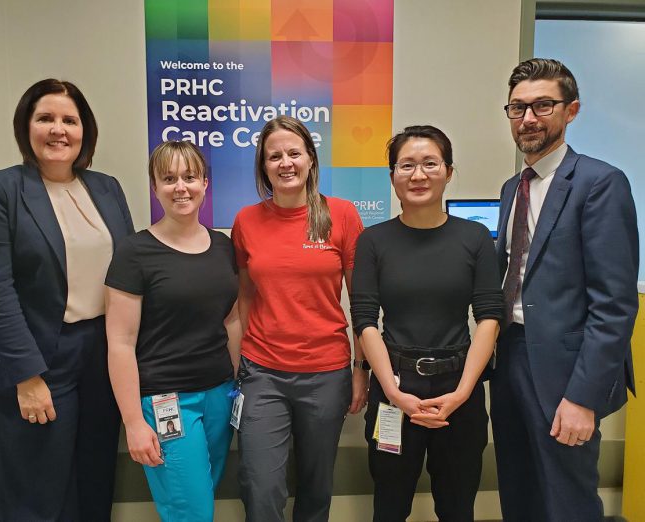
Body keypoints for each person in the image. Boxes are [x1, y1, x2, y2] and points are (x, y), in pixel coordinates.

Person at [0, 79, 134, 521]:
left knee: (93, 485)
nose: (58, 130)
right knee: (34, 499)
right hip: (36, 358)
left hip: (100, 355)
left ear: (84, 131)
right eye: (46, 118)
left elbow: (128, 274)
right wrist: (26, 375)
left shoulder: (107, 188)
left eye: (69, 120)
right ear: (26, 126)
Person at [491, 58, 639, 522]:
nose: (528, 119)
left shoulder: (600, 183)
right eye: (518, 108)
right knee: (519, 489)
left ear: (571, 110)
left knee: (567, 501)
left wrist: (583, 397)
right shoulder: (511, 188)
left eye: (542, 106)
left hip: (566, 372)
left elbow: (614, 306)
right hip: (510, 357)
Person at [351, 125, 503, 521]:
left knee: (457, 507)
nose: (418, 175)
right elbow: (365, 320)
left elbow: (489, 317)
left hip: (460, 389)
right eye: (407, 166)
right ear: (392, 176)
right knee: (389, 505)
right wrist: (393, 393)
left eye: (430, 164)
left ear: (448, 172)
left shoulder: (474, 239)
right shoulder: (373, 241)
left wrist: (463, 393)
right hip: (394, 389)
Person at [231, 115, 368, 522]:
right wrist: (236, 362)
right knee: (260, 485)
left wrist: (360, 370)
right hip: (262, 373)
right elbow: (244, 296)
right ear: (264, 165)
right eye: (275, 156)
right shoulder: (246, 221)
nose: (285, 162)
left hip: (325, 374)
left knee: (316, 484)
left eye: (294, 153)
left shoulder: (341, 215)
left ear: (311, 159)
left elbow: (361, 302)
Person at [105, 140, 240, 522]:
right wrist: (133, 422)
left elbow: (231, 320)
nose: (181, 187)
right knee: (191, 512)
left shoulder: (222, 246)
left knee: (202, 498)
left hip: (219, 395)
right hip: (166, 402)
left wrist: (238, 383)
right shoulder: (135, 252)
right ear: (155, 187)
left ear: (205, 184)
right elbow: (119, 342)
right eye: (169, 178)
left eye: (189, 177)